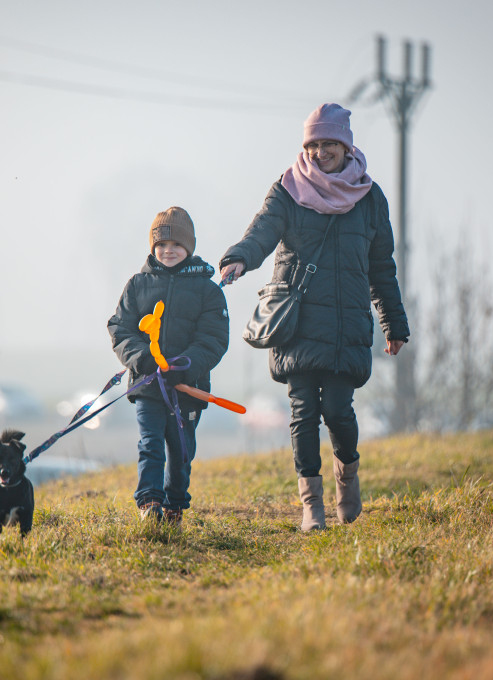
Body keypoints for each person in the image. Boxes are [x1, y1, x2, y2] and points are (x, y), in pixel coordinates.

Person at [219, 103, 409, 532]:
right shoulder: (287, 189)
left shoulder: (369, 197)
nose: (321, 153)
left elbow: (382, 267)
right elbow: (262, 231)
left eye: (329, 145)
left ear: (346, 147)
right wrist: (239, 259)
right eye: (314, 145)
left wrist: (393, 323)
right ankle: (311, 506)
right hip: (297, 319)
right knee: (304, 411)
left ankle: (348, 478)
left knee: (339, 410)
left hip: (345, 322)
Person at [108, 207, 229, 526]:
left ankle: (175, 503)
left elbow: (214, 339)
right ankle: (149, 502)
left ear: (189, 247)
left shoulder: (208, 290)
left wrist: (185, 366)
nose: (168, 250)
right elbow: (120, 328)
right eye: (161, 245)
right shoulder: (137, 285)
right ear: (153, 248)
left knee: (181, 450)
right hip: (147, 385)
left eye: (176, 244)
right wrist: (143, 358)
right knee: (150, 444)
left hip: (188, 388)